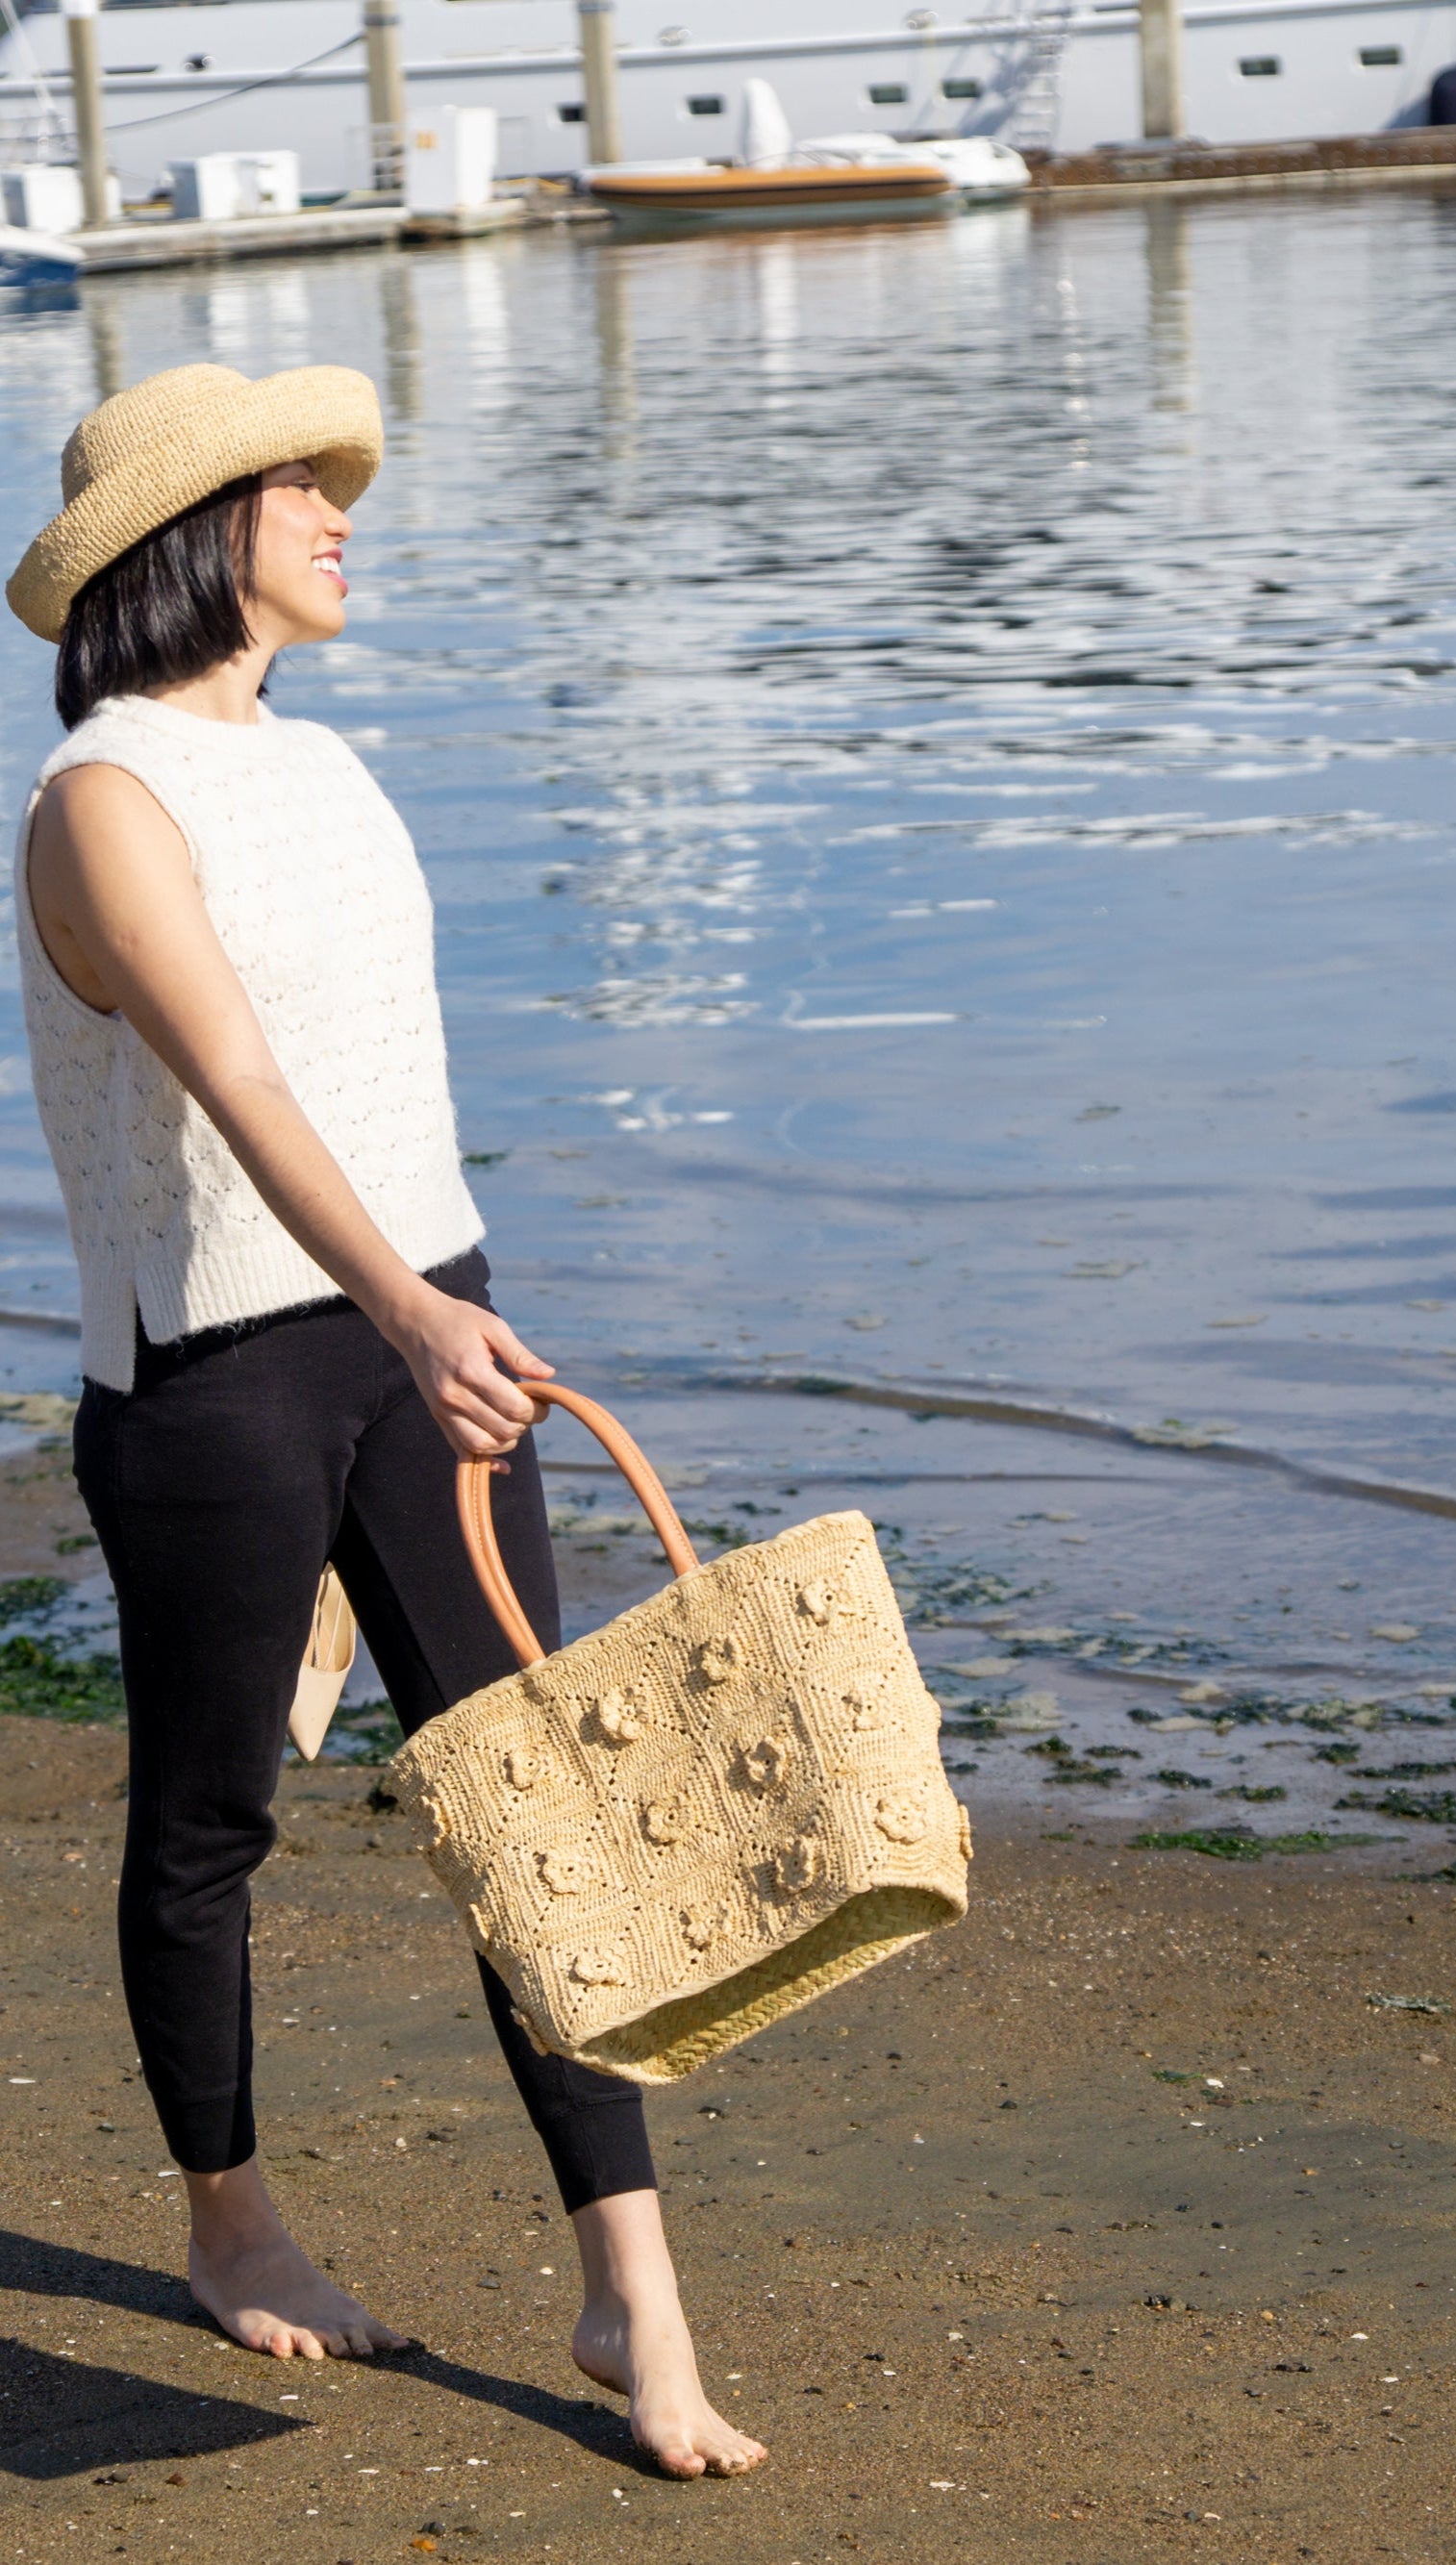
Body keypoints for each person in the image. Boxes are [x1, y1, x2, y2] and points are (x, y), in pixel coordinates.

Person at [5, 363, 766, 2480]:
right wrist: (407, 1312)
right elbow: (238, 1078)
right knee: (207, 1825)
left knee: (541, 1805)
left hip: (432, 1326)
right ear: (192, 533)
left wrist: (448, 1306)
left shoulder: (329, 766)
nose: (341, 511)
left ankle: (635, 2297)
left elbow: (375, 1076)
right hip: (220, 1376)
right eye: (296, 486)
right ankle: (229, 2221)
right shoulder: (101, 794)